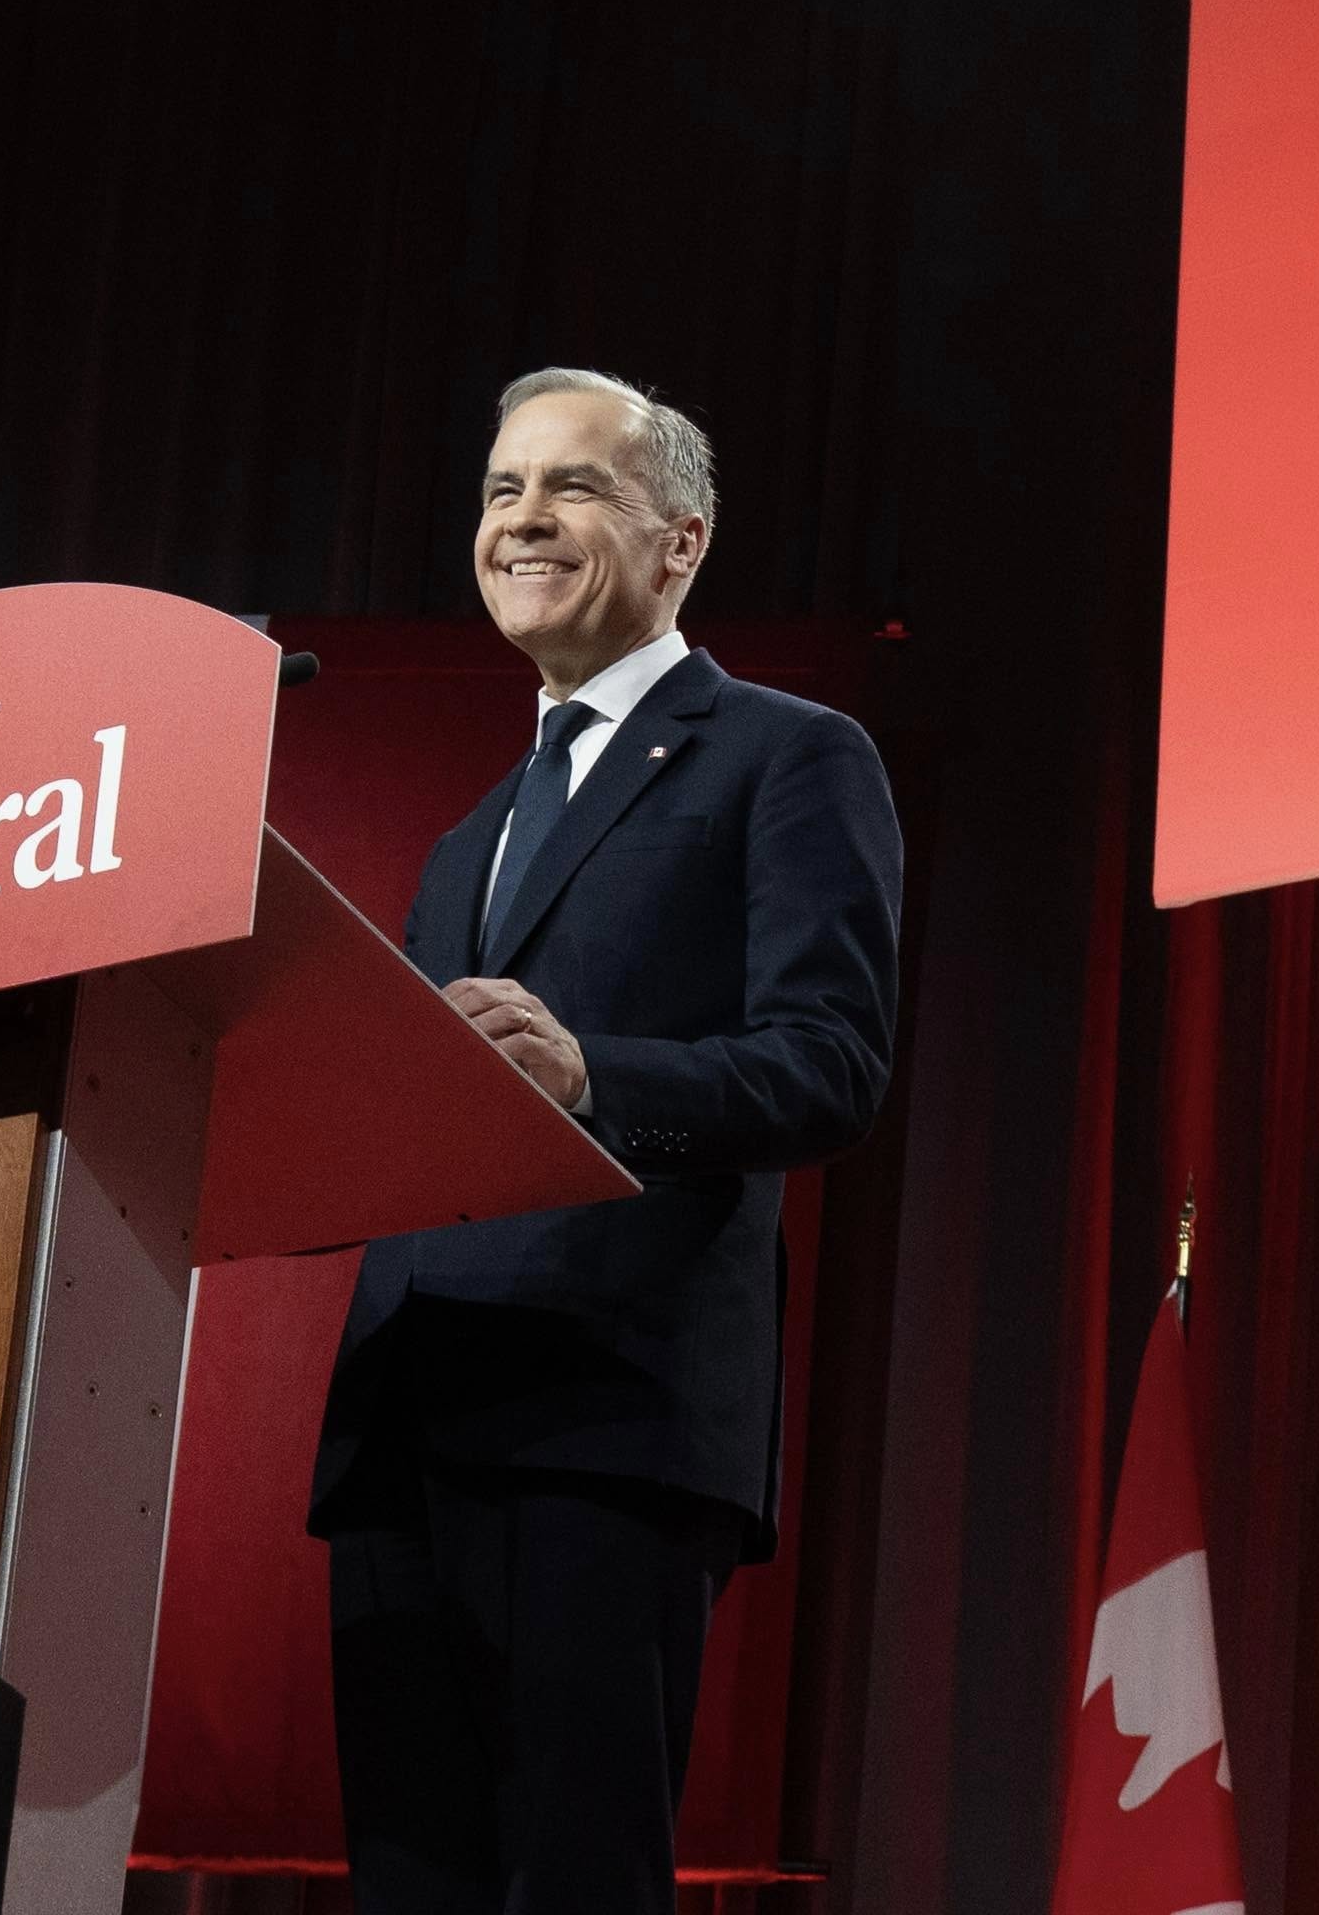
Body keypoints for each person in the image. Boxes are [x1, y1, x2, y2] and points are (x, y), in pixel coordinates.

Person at [307, 368, 903, 1914]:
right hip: (406, 1423)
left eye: (570, 486)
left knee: (574, 1880)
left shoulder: (787, 756)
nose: (523, 519)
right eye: (502, 490)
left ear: (679, 543)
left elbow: (829, 1065)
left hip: (603, 1418)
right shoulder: (463, 842)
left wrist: (593, 1074)